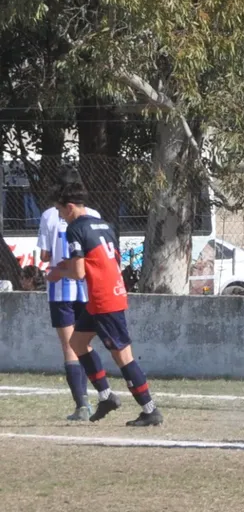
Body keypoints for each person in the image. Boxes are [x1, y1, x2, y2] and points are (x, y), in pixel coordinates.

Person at [49, 181, 163, 426]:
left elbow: (80, 273)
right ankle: (106, 395)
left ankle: (150, 409)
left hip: (104, 298)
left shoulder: (75, 229)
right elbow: (99, 261)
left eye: (59, 210)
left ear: (69, 208)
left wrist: (59, 273)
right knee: (77, 343)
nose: (60, 215)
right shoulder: (103, 224)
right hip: (109, 293)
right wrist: (65, 266)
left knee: (123, 356)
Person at [37, 168, 103, 421]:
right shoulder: (94, 214)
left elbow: (44, 255)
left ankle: (82, 405)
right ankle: (104, 393)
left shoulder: (49, 215)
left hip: (60, 288)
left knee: (68, 347)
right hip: (88, 287)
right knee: (86, 344)